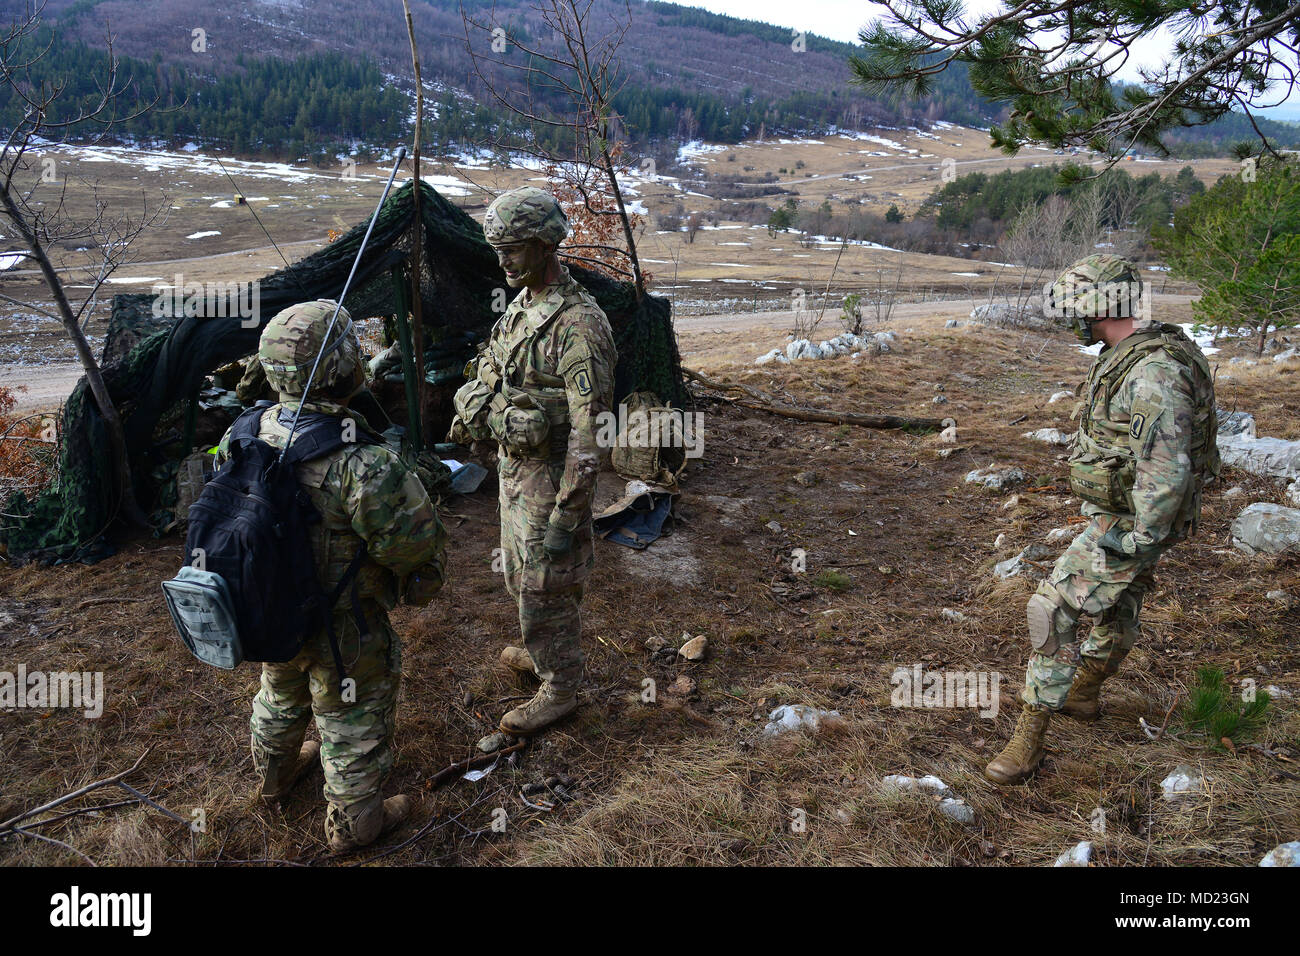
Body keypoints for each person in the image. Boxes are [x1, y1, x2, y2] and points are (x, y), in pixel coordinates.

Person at [218, 299, 448, 850]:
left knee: (280, 689)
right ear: (346, 367)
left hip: (268, 608)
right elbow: (411, 549)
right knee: (350, 712)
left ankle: (272, 780)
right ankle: (354, 825)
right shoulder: (362, 462)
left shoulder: (244, 431)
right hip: (343, 623)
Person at [985, 255, 1218, 786]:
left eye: (1077, 309)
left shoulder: (1154, 371)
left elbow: (1166, 467)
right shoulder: (1135, 351)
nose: (1073, 321)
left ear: (1099, 306)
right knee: (1122, 603)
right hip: (1132, 513)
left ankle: (1029, 739)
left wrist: (1137, 539)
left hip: (1134, 519)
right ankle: (1085, 692)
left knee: (1052, 609)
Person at [450, 187, 617, 736]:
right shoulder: (520, 308)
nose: (503, 261)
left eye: (514, 250)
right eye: (499, 249)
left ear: (545, 246)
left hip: (551, 481)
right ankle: (542, 652)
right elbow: (486, 378)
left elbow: (592, 436)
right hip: (515, 473)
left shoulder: (580, 325)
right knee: (521, 578)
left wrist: (568, 517)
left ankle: (561, 688)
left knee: (548, 583)